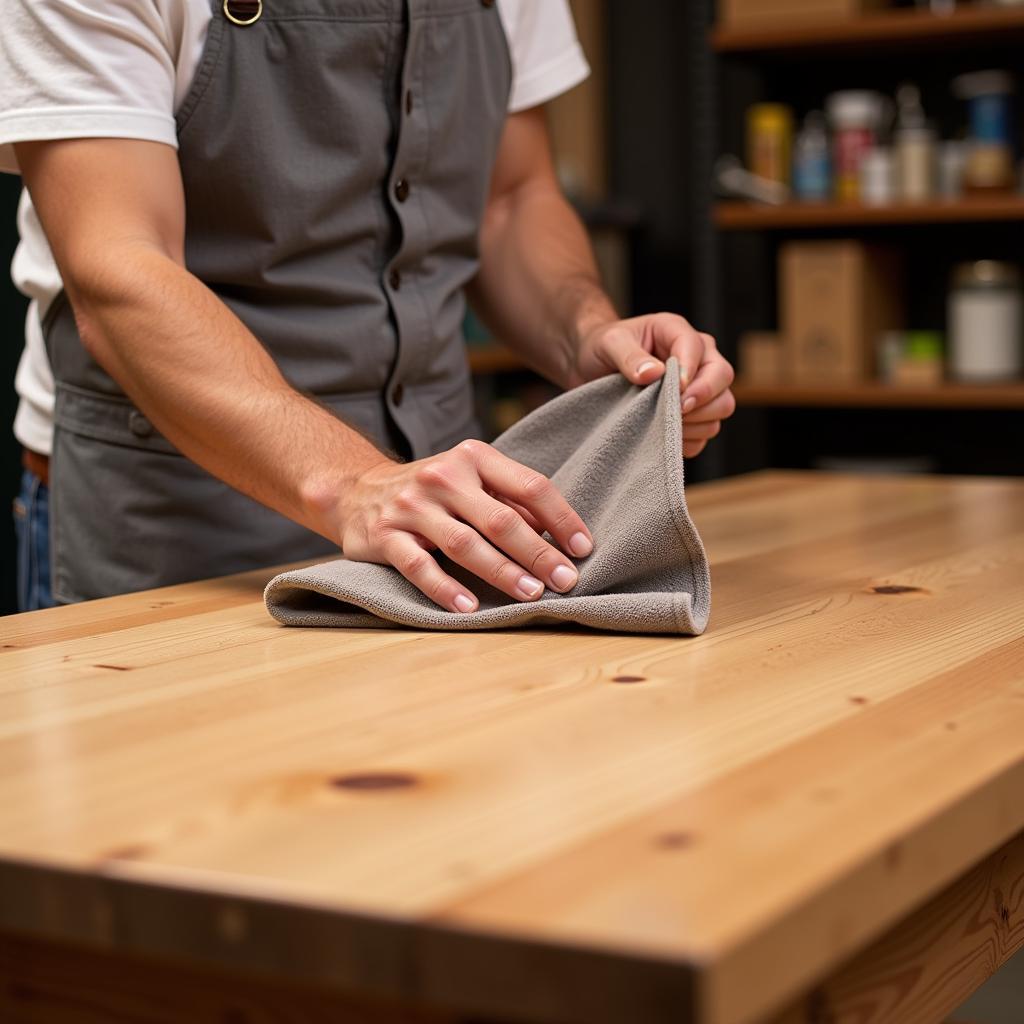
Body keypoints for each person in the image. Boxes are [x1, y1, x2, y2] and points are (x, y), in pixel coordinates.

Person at [1, 0, 735, 614]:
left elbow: (511, 200)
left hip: (438, 528)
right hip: (176, 530)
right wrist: (353, 483)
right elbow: (122, 267)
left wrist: (585, 332)